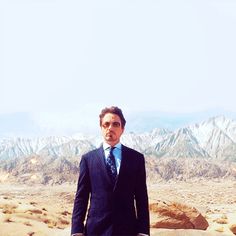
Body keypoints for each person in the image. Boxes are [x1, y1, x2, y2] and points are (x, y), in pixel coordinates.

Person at [71, 106, 150, 236]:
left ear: (122, 129)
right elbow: (81, 197)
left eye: (115, 124)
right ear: (101, 128)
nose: (110, 128)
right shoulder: (88, 159)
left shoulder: (136, 158)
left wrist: (143, 231)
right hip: (95, 231)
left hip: (127, 230)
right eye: (106, 124)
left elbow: (141, 197)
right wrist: (77, 230)